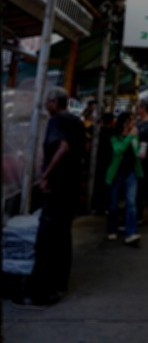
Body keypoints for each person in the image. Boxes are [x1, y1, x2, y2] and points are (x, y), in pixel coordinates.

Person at [13, 87, 85, 309]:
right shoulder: (77, 122)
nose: (46, 105)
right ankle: (58, 283)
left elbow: (63, 147)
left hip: (58, 188)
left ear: (55, 102)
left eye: (48, 101)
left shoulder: (58, 121)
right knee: (62, 236)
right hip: (70, 189)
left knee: (46, 240)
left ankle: (41, 291)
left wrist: (45, 175)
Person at [105, 111, 144, 245]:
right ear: (125, 123)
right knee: (113, 204)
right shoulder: (115, 136)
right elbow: (118, 150)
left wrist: (140, 152)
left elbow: (136, 149)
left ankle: (131, 232)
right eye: (131, 121)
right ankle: (112, 229)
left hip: (132, 172)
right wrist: (129, 137)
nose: (134, 123)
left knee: (131, 203)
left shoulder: (135, 134)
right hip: (116, 173)